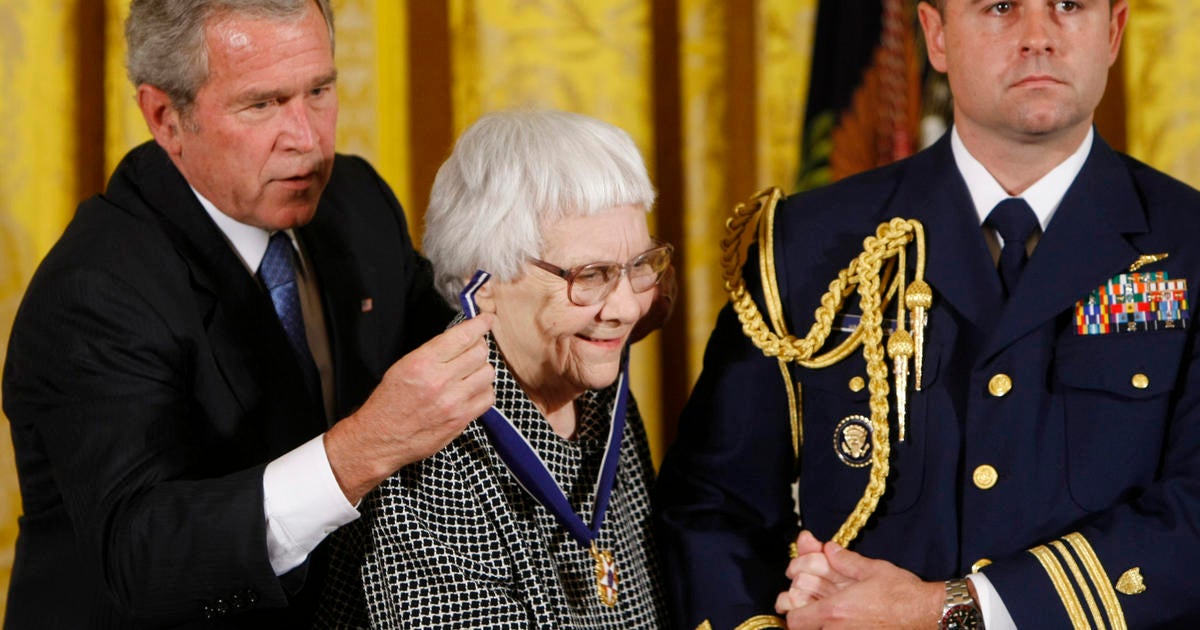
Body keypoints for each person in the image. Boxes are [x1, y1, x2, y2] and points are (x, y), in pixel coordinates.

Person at [656, 0, 1200, 628]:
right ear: (936, 36)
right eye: (1000, 7)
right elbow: (714, 507)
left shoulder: (1188, 247)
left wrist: (949, 609)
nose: (1037, 38)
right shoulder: (806, 247)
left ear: (1114, 31)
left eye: (1068, 6)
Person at [1, 0, 496, 627]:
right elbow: (141, 559)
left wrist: (580, 297)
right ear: (165, 118)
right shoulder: (94, 293)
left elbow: (459, 353)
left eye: (319, 90)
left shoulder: (356, 202)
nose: (308, 138)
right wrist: (359, 452)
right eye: (261, 104)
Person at [318, 109, 672, 628]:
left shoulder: (597, 386)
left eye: (638, 266)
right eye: (591, 275)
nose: (625, 308)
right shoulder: (432, 465)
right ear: (483, 284)